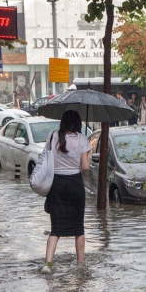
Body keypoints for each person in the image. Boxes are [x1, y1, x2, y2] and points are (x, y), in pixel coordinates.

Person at [40, 110, 91, 274]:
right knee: (79, 229)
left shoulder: (52, 136)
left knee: (56, 229)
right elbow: (85, 167)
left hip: (56, 185)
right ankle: (80, 265)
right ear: (77, 123)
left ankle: (48, 264)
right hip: (75, 185)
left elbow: (46, 159)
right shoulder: (82, 139)